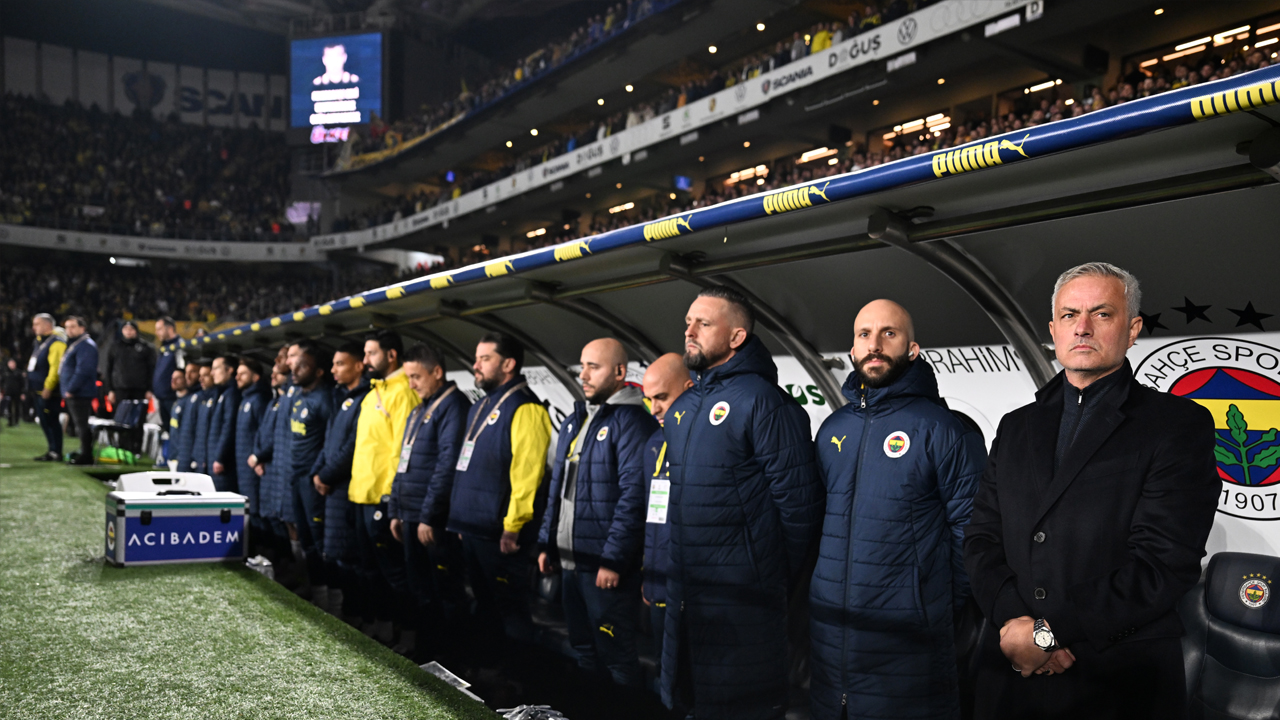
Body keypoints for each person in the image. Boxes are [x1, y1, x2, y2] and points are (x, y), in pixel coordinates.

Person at [964, 263, 1219, 720]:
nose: (1081, 327)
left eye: (1101, 314)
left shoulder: (1177, 426)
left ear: (1133, 327)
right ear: (1053, 329)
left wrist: (1047, 633)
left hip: (1115, 679)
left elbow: (1163, 562)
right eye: (1068, 315)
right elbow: (982, 537)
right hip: (1010, 671)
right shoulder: (1016, 425)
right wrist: (1014, 624)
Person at [809, 300, 987, 720]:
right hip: (830, 637)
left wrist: (931, 602)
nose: (874, 344)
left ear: (912, 349)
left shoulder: (946, 429)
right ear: (852, 350)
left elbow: (973, 534)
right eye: (863, 335)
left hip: (909, 642)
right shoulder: (834, 428)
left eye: (889, 334)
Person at [659, 286, 823, 720]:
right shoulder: (684, 408)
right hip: (687, 596)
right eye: (688, 322)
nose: (689, 331)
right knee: (690, 703)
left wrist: (761, 574)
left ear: (736, 338)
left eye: (703, 323)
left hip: (745, 603)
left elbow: (799, 509)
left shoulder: (764, 402)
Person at [537, 338, 656, 687]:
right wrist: (546, 542)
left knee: (617, 657)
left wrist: (614, 560)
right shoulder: (576, 420)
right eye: (582, 365)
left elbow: (634, 499)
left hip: (604, 568)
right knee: (583, 650)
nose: (583, 374)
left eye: (594, 366)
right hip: (571, 560)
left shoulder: (634, 423)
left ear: (620, 372)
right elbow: (557, 489)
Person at [447, 332, 552, 660]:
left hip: (501, 534)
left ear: (508, 364)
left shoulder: (526, 408)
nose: (475, 366)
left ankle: (517, 683)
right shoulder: (481, 404)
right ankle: (488, 674)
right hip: (474, 526)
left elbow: (527, 475)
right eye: (476, 359)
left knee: (510, 611)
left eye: (484, 359)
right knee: (485, 606)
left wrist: (514, 525)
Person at [388, 343, 470, 659]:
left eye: (416, 377)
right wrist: (395, 510)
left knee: (444, 592)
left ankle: (450, 660)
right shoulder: (420, 407)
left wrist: (429, 516)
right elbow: (403, 461)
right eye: (408, 377)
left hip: (431, 520)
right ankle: (426, 652)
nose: (411, 385)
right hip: (409, 513)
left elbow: (447, 465)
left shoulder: (454, 407)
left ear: (437, 372)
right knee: (420, 590)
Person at [349, 330, 420, 645]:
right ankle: (381, 626)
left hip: (383, 498)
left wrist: (393, 498)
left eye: (371, 354)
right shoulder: (371, 394)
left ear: (392, 355)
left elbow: (401, 452)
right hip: (361, 495)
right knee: (370, 570)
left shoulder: (403, 393)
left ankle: (406, 631)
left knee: (393, 572)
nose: (365, 361)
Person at [640, 352, 694, 681]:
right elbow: (651, 519)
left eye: (662, 397)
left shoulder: (707, 443)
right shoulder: (653, 442)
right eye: (648, 400)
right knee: (663, 677)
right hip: (657, 584)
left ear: (689, 389)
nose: (654, 409)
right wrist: (649, 577)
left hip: (694, 595)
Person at [310, 343, 371, 618]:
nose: (333, 370)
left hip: (347, 487)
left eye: (340, 364)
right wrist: (318, 471)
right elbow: (330, 440)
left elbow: (352, 446)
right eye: (333, 364)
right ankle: (343, 612)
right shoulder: (342, 397)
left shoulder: (365, 399)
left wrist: (326, 474)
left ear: (359, 365)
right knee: (336, 555)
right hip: (331, 486)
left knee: (351, 558)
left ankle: (358, 615)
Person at [288, 341, 336, 602]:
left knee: (319, 541)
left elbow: (330, 442)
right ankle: (314, 589)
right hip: (296, 478)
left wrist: (320, 473)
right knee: (305, 538)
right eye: (295, 364)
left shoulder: (324, 399)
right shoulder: (299, 397)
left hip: (312, 481)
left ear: (319, 372)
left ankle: (330, 599)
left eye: (303, 365)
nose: (294, 369)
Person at [249, 347, 295, 565]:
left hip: (276, 465)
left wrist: (259, 456)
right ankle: (280, 563)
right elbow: (263, 432)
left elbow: (279, 435)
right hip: (268, 465)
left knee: (284, 520)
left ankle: (290, 566)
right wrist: (257, 455)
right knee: (270, 516)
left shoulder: (290, 397)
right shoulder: (275, 400)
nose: (273, 373)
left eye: (280, 362)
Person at [232, 358, 269, 548]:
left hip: (254, 468)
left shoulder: (259, 399)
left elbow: (265, 431)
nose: (237, 376)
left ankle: (270, 556)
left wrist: (259, 456)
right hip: (243, 467)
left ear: (255, 377)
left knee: (257, 512)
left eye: (243, 373)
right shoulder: (246, 398)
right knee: (250, 511)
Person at [59, 316, 99, 466]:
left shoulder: (85, 345)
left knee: (81, 425)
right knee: (79, 425)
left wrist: (71, 388)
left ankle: (86, 455)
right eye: (67, 327)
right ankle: (84, 453)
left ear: (83, 328)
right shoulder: (77, 344)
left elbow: (84, 370)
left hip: (80, 392)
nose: (69, 330)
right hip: (76, 391)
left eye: (73, 327)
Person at [27, 313, 66, 461]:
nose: (34, 327)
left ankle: (56, 451)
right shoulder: (39, 341)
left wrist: (48, 387)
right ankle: (52, 450)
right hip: (38, 389)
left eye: (37, 324)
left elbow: (55, 368)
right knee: (45, 421)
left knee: (51, 421)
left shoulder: (56, 343)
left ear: (47, 325)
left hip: (48, 391)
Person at [207, 356, 241, 492]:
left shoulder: (232, 394)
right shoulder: (222, 393)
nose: (212, 373)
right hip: (215, 458)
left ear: (230, 370)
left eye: (216, 368)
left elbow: (229, 426)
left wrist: (220, 457)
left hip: (224, 464)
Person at [105, 320, 156, 407]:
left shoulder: (145, 347)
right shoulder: (115, 347)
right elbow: (109, 368)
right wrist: (110, 390)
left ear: (136, 330)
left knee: (139, 418)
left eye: (131, 329)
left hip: (140, 390)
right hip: (120, 390)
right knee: (121, 419)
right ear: (122, 330)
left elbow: (151, 369)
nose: (128, 331)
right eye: (126, 329)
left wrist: (150, 389)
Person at [150, 317, 182, 429]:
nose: (156, 332)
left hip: (172, 398)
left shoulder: (179, 346)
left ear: (170, 329)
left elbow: (181, 369)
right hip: (161, 398)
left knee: (176, 429)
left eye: (159, 329)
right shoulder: (164, 347)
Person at [190, 362, 217, 475]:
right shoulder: (203, 399)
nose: (201, 379)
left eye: (205, 375)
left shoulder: (217, 398)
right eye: (200, 376)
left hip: (211, 460)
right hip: (200, 458)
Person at [162, 368, 190, 465]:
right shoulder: (176, 402)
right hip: (173, 454)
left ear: (185, 379)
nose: (173, 381)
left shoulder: (189, 403)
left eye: (177, 378)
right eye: (172, 378)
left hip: (182, 455)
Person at [2, 357, 26, 427]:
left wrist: (22, 393)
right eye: (11, 363)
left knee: (17, 408)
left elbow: (23, 384)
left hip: (17, 393)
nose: (12, 365)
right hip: (7, 393)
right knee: (9, 407)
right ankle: (10, 422)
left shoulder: (18, 373)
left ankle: (16, 422)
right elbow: (2, 382)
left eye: (13, 363)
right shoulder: (5, 373)